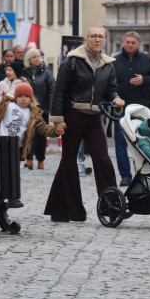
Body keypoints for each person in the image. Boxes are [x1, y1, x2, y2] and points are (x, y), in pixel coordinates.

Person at [44, 26, 125, 222]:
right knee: (69, 160)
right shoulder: (72, 61)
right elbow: (59, 92)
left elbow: (111, 90)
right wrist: (57, 121)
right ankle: (65, 210)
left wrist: (116, 100)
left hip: (94, 118)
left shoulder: (108, 65)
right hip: (73, 115)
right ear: (86, 39)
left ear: (105, 40)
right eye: (93, 36)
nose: (97, 39)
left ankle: (111, 207)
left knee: (103, 159)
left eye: (101, 37)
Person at [111, 31, 150, 185]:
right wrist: (114, 99)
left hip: (139, 109)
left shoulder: (146, 60)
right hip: (120, 109)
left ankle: (141, 172)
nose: (130, 45)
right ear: (123, 43)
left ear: (138, 44)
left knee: (142, 142)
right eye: (127, 42)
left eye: (133, 42)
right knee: (121, 143)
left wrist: (144, 79)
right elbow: (108, 84)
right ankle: (125, 176)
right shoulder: (115, 61)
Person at [0, 82, 63, 164]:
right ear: (15, 97)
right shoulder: (7, 105)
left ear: (31, 99)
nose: (23, 99)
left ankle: (14, 177)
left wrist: (55, 131)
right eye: (20, 96)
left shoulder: (34, 114)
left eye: (26, 96)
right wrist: (2, 101)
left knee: (13, 169)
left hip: (17, 146)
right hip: (0, 142)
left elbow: (43, 127)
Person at [23, 48, 55, 169]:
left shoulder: (46, 71)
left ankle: (40, 160)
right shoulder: (24, 72)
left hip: (42, 108)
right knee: (29, 134)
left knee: (41, 134)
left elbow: (52, 88)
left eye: (38, 56)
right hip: (28, 108)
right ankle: (29, 159)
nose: (37, 59)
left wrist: (51, 106)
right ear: (29, 60)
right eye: (34, 57)